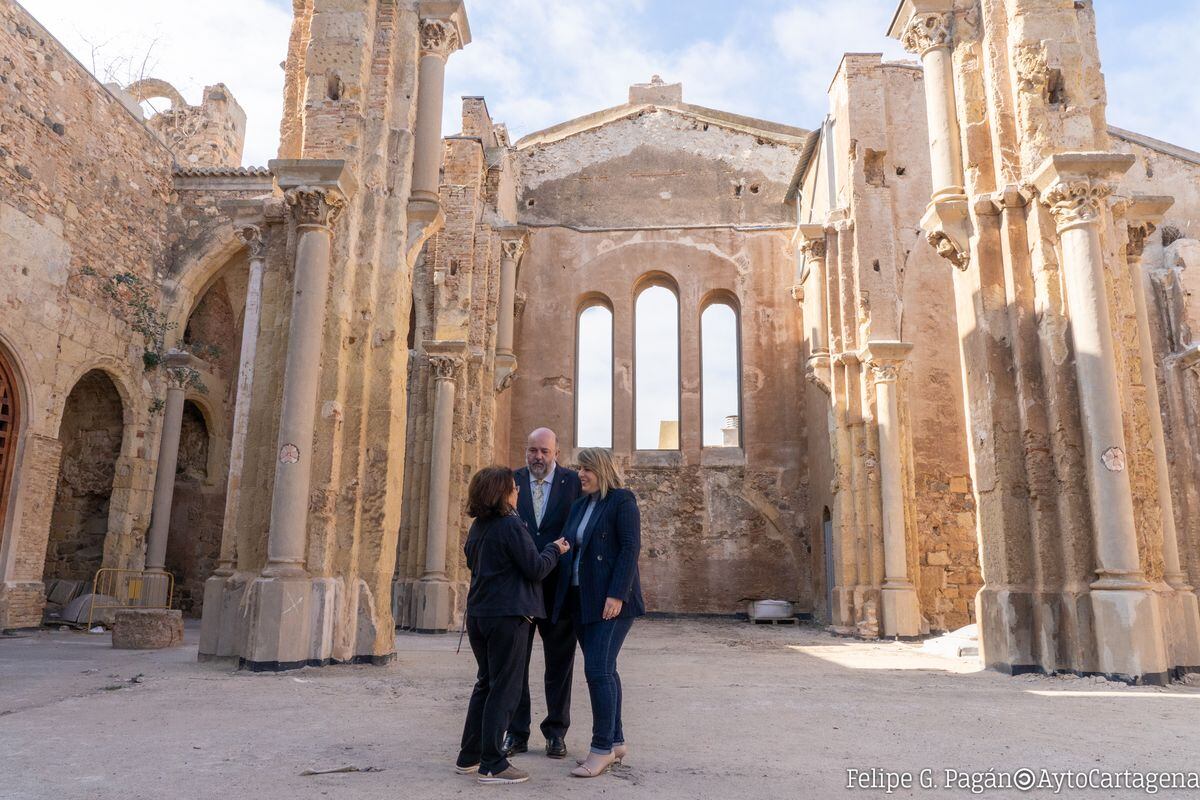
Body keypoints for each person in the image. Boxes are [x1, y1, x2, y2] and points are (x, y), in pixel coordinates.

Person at [456, 466, 570, 785]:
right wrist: (554, 549)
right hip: (508, 617)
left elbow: (472, 562)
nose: (517, 491)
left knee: (486, 683)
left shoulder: (479, 526)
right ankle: (493, 763)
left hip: (479, 615)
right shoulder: (510, 524)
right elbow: (535, 569)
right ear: (503, 492)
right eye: (513, 488)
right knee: (504, 689)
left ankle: (469, 755)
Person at [553, 447, 645, 779]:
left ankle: (601, 748)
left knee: (598, 670)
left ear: (602, 470)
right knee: (606, 668)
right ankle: (616, 742)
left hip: (611, 601)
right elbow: (566, 545)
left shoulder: (621, 501)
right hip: (580, 598)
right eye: (579, 469)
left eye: (586, 469)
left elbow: (630, 548)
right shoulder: (579, 506)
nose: (581, 474)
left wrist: (617, 594)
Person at [506, 427, 582, 760]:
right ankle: (517, 732)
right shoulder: (512, 481)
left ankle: (555, 733)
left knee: (559, 664)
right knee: (515, 663)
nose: (538, 457)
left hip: (558, 589)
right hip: (520, 587)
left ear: (556, 453)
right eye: (532, 450)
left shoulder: (574, 483)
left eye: (544, 452)